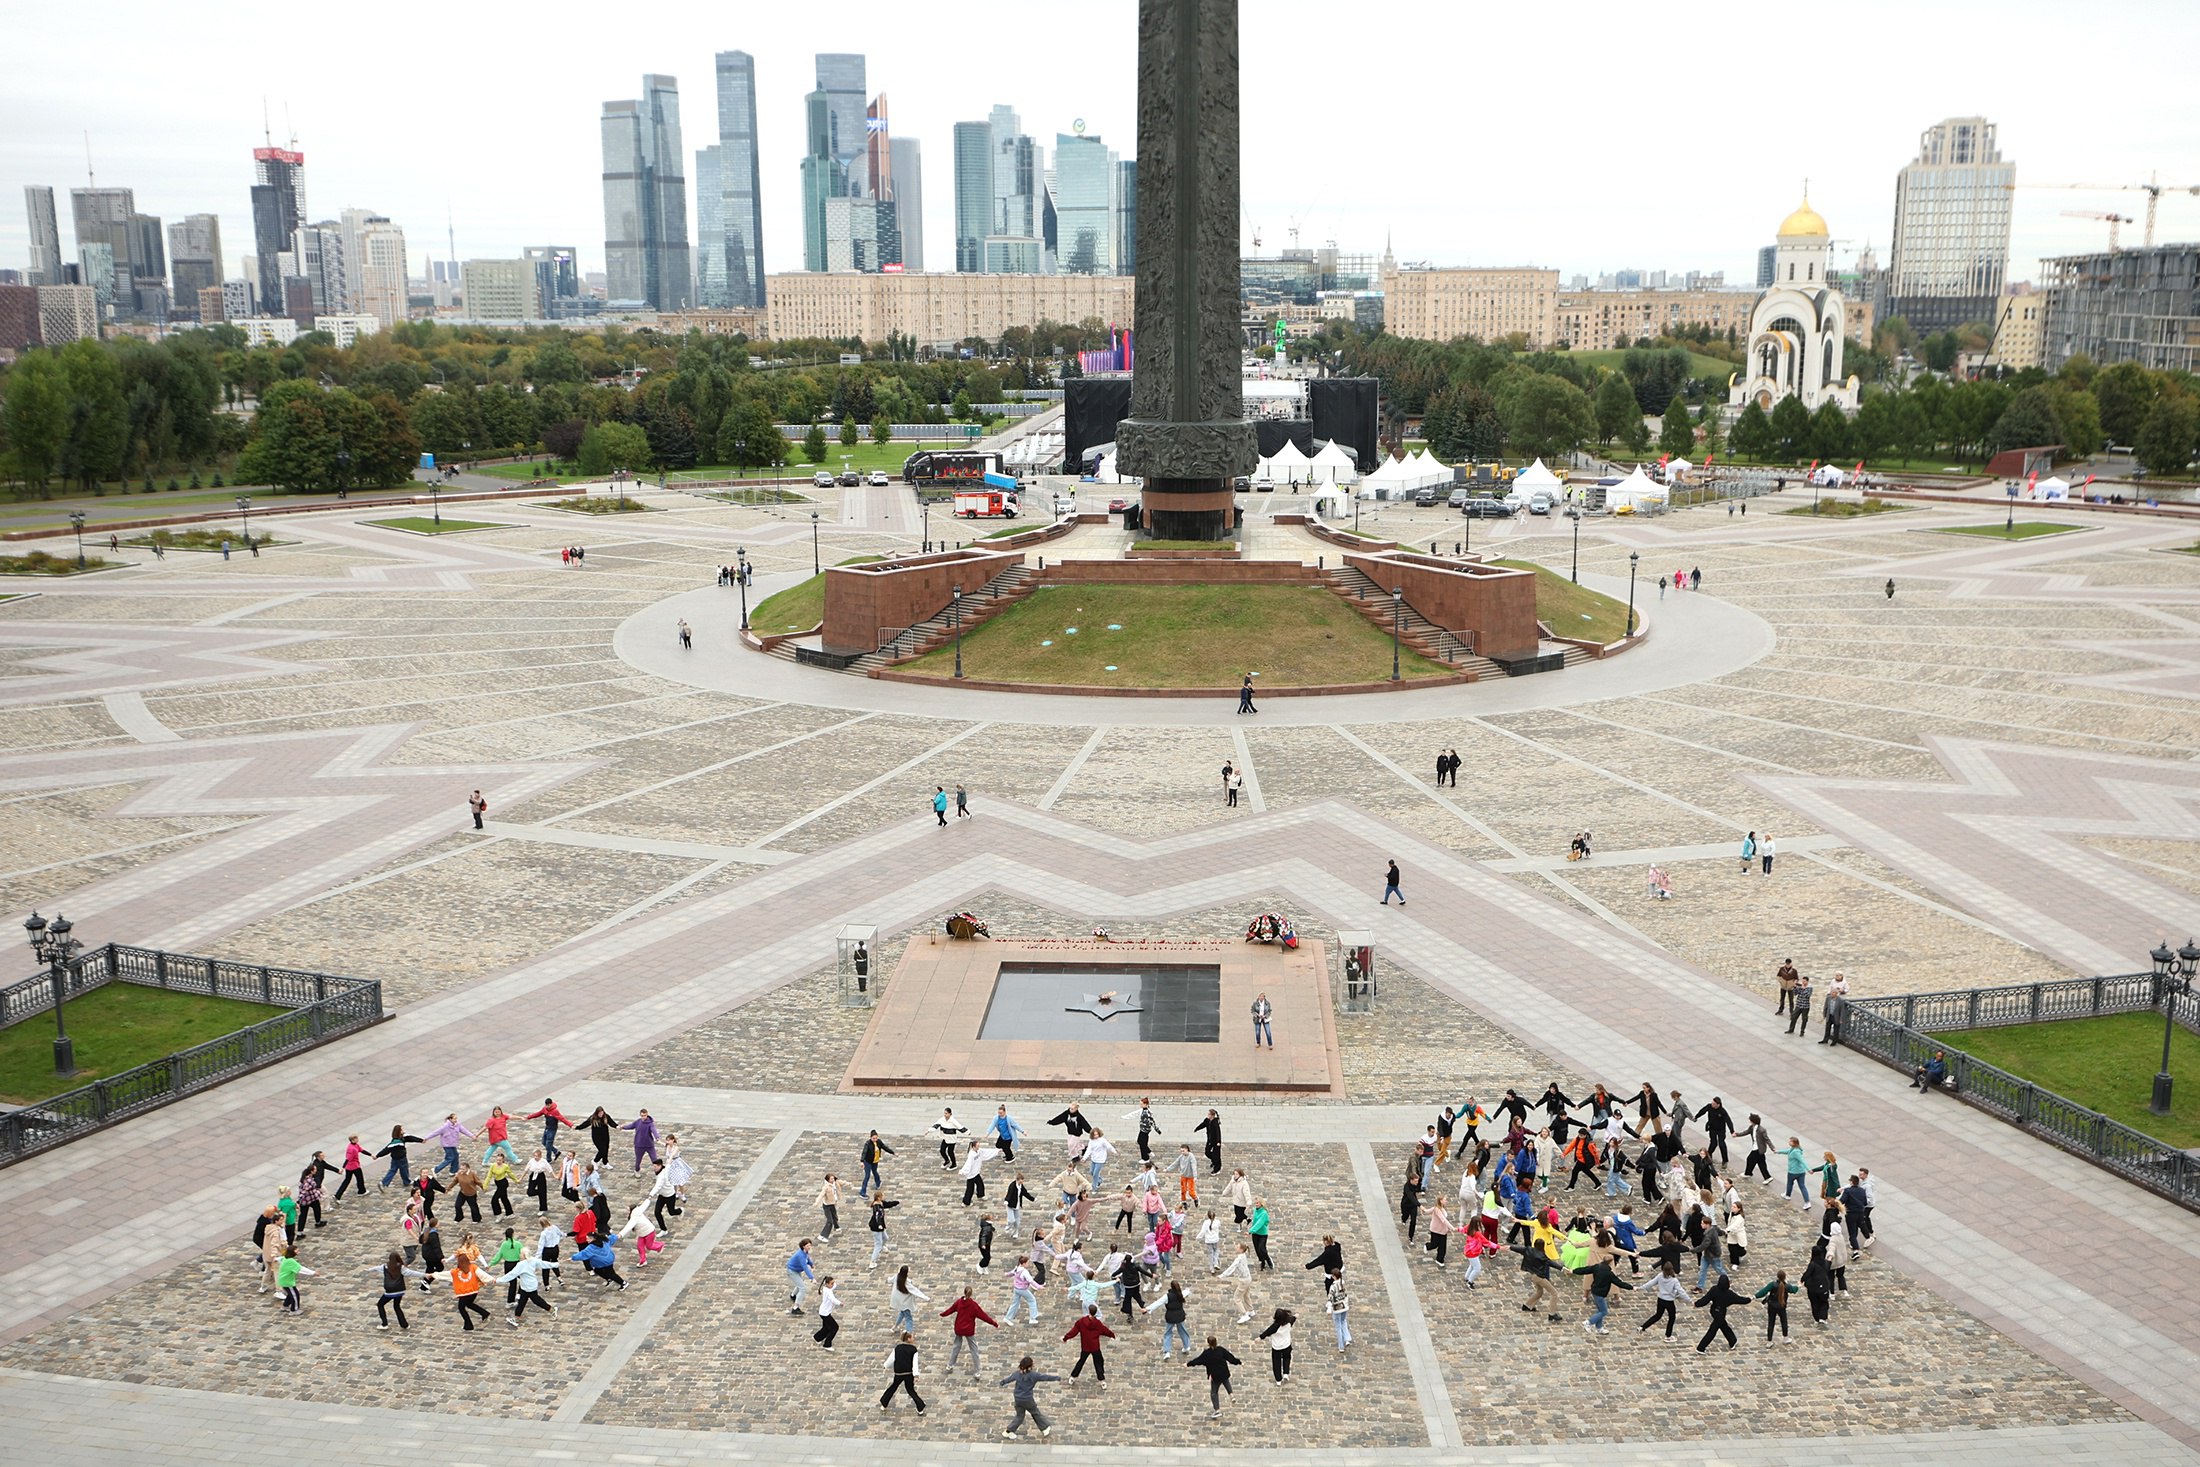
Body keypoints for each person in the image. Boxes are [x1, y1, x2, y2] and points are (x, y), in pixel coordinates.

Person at [998, 1355, 1058, 1438]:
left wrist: (1002, 1382)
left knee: (1020, 1416)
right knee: (1035, 1413)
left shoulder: (1017, 1374)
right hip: (1027, 1399)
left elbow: (1008, 1379)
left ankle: (1008, 1431)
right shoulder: (1034, 1375)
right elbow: (1046, 1377)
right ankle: (1045, 1428)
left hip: (1018, 1399)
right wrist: (1057, 1378)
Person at [942, 1286, 999, 1372]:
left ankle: (950, 1365)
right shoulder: (973, 1305)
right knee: (974, 1350)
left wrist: (942, 1314)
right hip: (969, 1330)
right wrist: (994, 1323)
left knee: (956, 1347)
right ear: (971, 1294)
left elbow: (950, 1310)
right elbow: (984, 1316)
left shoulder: (959, 1302)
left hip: (959, 1329)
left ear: (964, 1293)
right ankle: (977, 1370)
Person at [1188, 1335, 1243, 1418]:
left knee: (1214, 1393)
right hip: (1224, 1372)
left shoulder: (1207, 1354)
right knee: (1225, 1381)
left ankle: (1217, 1410)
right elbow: (1230, 1357)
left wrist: (1188, 1364)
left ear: (1208, 1343)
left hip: (1215, 1375)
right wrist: (1239, 1362)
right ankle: (1231, 1394)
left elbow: (1198, 1360)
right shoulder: (1221, 1350)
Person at [1693, 1273, 1744, 1351]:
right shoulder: (1729, 1294)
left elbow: (1706, 1299)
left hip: (1714, 1311)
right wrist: (1750, 1299)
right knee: (1713, 1330)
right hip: (1721, 1312)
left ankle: (1732, 1341)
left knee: (1724, 1326)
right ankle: (1701, 1348)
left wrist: (1697, 1304)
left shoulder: (1714, 1289)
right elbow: (1740, 1299)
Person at [1066, 1304, 1114, 1385]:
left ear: (1089, 1311)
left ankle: (1073, 1377)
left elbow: (1074, 1331)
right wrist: (1112, 1335)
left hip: (1085, 1346)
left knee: (1081, 1362)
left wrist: (1066, 1338)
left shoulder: (1081, 1321)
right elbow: (1104, 1330)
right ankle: (1102, 1380)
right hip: (1095, 1347)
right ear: (1095, 1313)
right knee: (1098, 1362)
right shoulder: (1097, 1323)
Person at [880, 1331, 925, 1413]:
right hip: (908, 1373)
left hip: (898, 1373)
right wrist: (916, 1375)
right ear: (908, 1339)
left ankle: (884, 1403)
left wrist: (885, 1365)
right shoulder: (913, 1350)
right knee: (911, 1390)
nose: (913, 1338)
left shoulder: (897, 1348)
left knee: (893, 1387)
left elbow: (891, 1359)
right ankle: (920, 1407)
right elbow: (914, 1364)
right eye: (912, 1337)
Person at [1639, 1259, 1686, 1337]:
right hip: (1669, 1301)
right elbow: (1681, 1291)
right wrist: (1689, 1300)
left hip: (1660, 1299)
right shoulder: (1674, 1280)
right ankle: (1668, 1336)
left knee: (1657, 1315)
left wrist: (1640, 1287)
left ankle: (1642, 1327)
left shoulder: (1660, 1276)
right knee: (1672, 1317)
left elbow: (1650, 1283)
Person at [1256, 1307, 1296, 1383]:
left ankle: (1278, 1380)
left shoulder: (1275, 1326)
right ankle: (1286, 1373)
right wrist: (1296, 1316)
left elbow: (1267, 1332)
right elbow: (1294, 1318)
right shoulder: (1289, 1321)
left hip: (1277, 1347)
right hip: (1287, 1345)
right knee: (1286, 1358)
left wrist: (1260, 1338)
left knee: (1276, 1363)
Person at [1757, 1269, 1798, 1342]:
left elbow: (1763, 1291)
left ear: (1777, 1277)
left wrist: (1755, 1296)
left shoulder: (1772, 1284)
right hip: (1781, 1306)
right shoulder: (1787, 1286)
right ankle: (1785, 1338)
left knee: (1771, 1323)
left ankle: (1769, 1341)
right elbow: (1794, 1290)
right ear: (1785, 1277)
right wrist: (1799, 1286)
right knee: (1784, 1321)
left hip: (1772, 1306)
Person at [859, 1130, 893, 1197]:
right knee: (867, 1176)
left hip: (875, 1161)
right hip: (868, 1162)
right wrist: (862, 1161)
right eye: (873, 1138)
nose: (875, 1140)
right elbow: (864, 1152)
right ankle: (862, 1192)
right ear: (870, 1138)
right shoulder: (867, 1144)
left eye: (876, 1138)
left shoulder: (878, 1142)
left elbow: (885, 1147)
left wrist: (892, 1152)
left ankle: (878, 1182)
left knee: (875, 1171)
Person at [1324, 1270, 1351, 1353]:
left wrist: (1329, 1308)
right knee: (1343, 1322)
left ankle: (1341, 1346)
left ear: (1334, 1276)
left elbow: (1330, 1298)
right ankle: (1347, 1339)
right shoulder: (1343, 1283)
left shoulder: (1333, 1286)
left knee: (1338, 1326)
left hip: (1337, 1308)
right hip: (1344, 1306)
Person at [1819, 972, 1850, 1046]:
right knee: (1828, 1028)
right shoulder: (1829, 998)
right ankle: (1825, 1039)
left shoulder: (1840, 1000)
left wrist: (1841, 1018)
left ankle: (1834, 1041)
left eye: (1833, 993)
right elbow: (1826, 1007)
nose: (1832, 994)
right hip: (1830, 1014)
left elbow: (1842, 1010)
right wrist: (1824, 1014)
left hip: (1836, 1015)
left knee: (1836, 1029)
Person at [787, 1239, 817, 1313]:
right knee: (802, 1288)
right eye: (807, 1246)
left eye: (810, 1245)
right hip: (792, 1271)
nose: (809, 1247)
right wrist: (812, 1278)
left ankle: (793, 1295)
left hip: (796, 1270)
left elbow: (807, 1258)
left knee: (800, 1283)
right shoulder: (800, 1255)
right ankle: (795, 1308)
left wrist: (811, 1264)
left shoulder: (805, 1252)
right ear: (803, 1246)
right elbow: (805, 1267)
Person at [813, 1276, 841, 1348]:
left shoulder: (826, 1288)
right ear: (827, 1284)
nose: (833, 1284)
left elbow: (834, 1286)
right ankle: (827, 1344)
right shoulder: (828, 1292)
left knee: (826, 1327)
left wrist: (833, 1282)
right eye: (831, 1283)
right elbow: (833, 1299)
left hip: (824, 1312)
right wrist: (840, 1303)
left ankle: (817, 1338)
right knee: (834, 1327)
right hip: (825, 1313)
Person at [1196, 1111, 1225, 1175]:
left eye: (1209, 1114)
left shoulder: (1215, 1123)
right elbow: (1203, 1124)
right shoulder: (1207, 1120)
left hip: (1216, 1142)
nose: (1207, 1115)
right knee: (1207, 1152)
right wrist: (1197, 1128)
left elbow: (1218, 1132)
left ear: (1212, 1115)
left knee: (1216, 1155)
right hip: (1210, 1140)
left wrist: (1218, 1141)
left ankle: (1217, 1169)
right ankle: (1214, 1161)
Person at [1249, 1199, 1272, 1270]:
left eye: (1257, 1203)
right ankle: (1262, 1261)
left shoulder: (1264, 1213)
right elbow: (1255, 1221)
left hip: (1262, 1234)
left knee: (1262, 1248)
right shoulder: (1255, 1210)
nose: (1256, 1204)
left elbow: (1260, 1223)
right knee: (1257, 1249)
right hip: (1255, 1233)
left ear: (1261, 1204)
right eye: (1255, 1203)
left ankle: (1268, 1259)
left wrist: (1251, 1230)